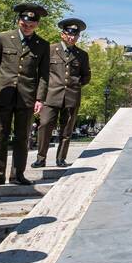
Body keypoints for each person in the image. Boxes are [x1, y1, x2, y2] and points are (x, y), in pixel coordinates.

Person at [0, 3, 49, 186]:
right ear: (19, 21)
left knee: (22, 137)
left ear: (36, 25)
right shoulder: (3, 38)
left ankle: (18, 175)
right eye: (24, 23)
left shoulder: (42, 45)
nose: (27, 27)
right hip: (3, 94)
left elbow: (44, 75)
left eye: (31, 25)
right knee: (0, 135)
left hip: (27, 96)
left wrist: (40, 98)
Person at [33, 18, 92, 168]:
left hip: (71, 97)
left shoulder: (82, 55)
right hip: (51, 96)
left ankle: (61, 159)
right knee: (45, 126)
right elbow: (42, 73)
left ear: (78, 37)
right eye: (69, 34)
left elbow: (86, 76)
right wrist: (40, 96)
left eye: (75, 35)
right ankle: (41, 158)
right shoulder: (50, 50)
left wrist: (76, 85)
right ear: (63, 34)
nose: (72, 37)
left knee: (66, 130)